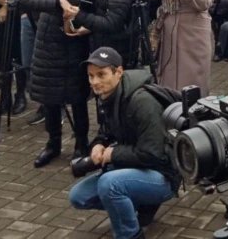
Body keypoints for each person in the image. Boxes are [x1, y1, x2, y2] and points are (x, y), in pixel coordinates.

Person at [69, 48, 179, 239]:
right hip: (135, 166)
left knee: (109, 185)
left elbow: (153, 153)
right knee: (78, 197)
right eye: (91, 76)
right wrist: (98, 144)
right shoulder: (110, 96)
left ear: (118, 72)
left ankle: (130, 235)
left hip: (163, 175)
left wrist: (113, 154)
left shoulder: (142, 101)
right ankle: (143, 205)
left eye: (101, 75)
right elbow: (106, 132)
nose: (95, 82)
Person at [17, 0, 104, 167]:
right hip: (51, 40)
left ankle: (81, 143)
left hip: (79, 40)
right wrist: (57, 3)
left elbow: (100, 3)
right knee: (51, 96)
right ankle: (53, 143)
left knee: (79, 96)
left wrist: (88, 22)